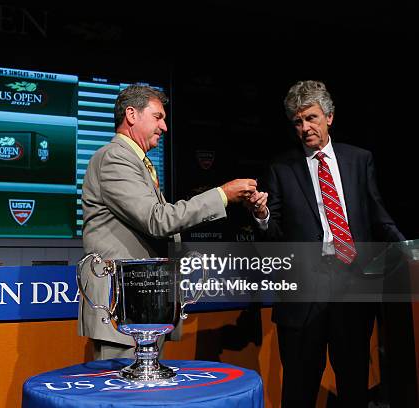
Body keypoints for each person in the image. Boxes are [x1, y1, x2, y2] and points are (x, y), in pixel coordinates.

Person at [79, 84, 265, 360]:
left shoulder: (137, 162)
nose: (164, 127)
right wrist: (222, 195)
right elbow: (158, 221)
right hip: (123, 313)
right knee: (123, 400)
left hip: (144, 311)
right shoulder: (114, 158)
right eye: (158, 117)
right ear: (131, 114)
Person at [250, 80, 404, 406]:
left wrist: (409, 251)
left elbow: (379, 216)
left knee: (354, 387)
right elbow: (272, 237)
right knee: (299, 391)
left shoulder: (360, 160)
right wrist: (262, 215)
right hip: (304, 297)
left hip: (352, 290)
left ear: (329, 117)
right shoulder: (281, 169)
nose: (305, 128)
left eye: (311, 118)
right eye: (297, 121)